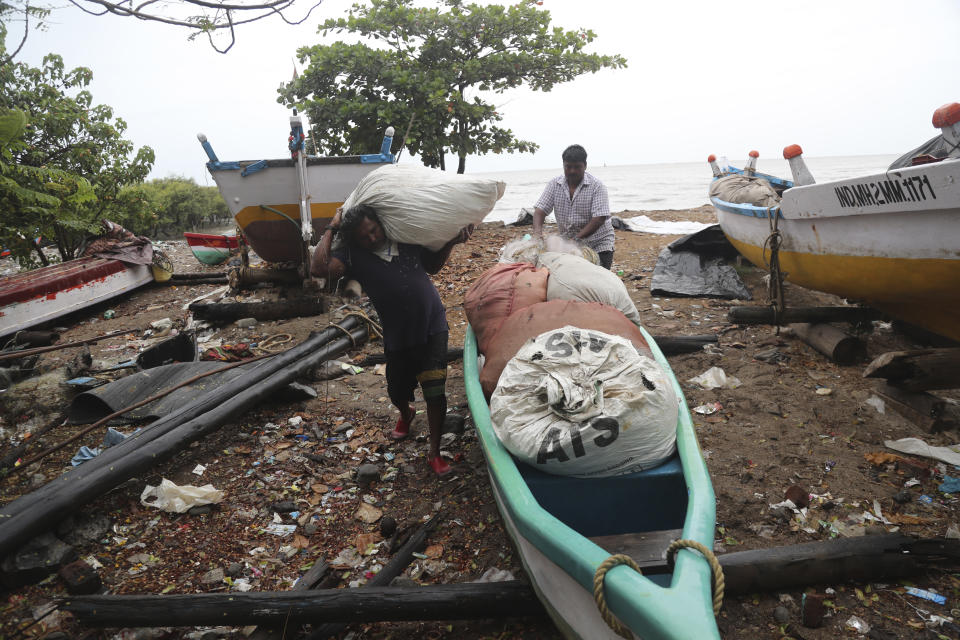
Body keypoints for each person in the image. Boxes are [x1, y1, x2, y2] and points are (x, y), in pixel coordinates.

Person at [313, 204, 473, 477]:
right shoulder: (353, 254)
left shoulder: (404, 237)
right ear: (355, 238)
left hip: (432, 322)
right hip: (397, 332)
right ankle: (406, 412)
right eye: (365, 236)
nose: (372, 238)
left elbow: (432, 266)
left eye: (374, 231)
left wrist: (452, 241)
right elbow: (319, 267)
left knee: (435, 388)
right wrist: (331, 226)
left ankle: (434, 452)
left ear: (380, 223)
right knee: (397, 390)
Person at [532, 144, 615, 269]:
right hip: (568, 243)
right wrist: (538, 234)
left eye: (577, 167)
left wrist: (576, 239)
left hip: (598, 243)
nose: (572, 171)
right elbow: (540, 211)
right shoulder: (554, 184)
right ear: (563, 165)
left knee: (598, 279)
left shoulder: (597, 186)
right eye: (568, 167)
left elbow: (599, 218)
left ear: (585, 166)